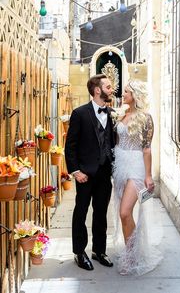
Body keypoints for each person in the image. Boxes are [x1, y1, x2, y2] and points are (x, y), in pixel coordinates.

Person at [65, 74, 115, 271]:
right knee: (81, 212)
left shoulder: (111, 113)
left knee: (101, 213)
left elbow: (111, 142)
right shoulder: (79, 114)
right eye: (109, 87)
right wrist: (76, 171)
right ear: (97, 90)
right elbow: (70, 146)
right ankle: (79, 252)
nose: (112, 90)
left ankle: (99, 250)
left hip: (104, 173)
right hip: (85, 174)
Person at [112, 79, 162, 276]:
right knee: (123, 214)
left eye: (126, 92)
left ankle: (132, 258)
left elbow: (147, 148)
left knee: (125, 212)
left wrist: (148, 176)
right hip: (120, 166)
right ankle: (129, 252)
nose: (123, 94)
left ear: (135, 95)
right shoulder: (122, 114)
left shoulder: (145, 118)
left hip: (136, 167)